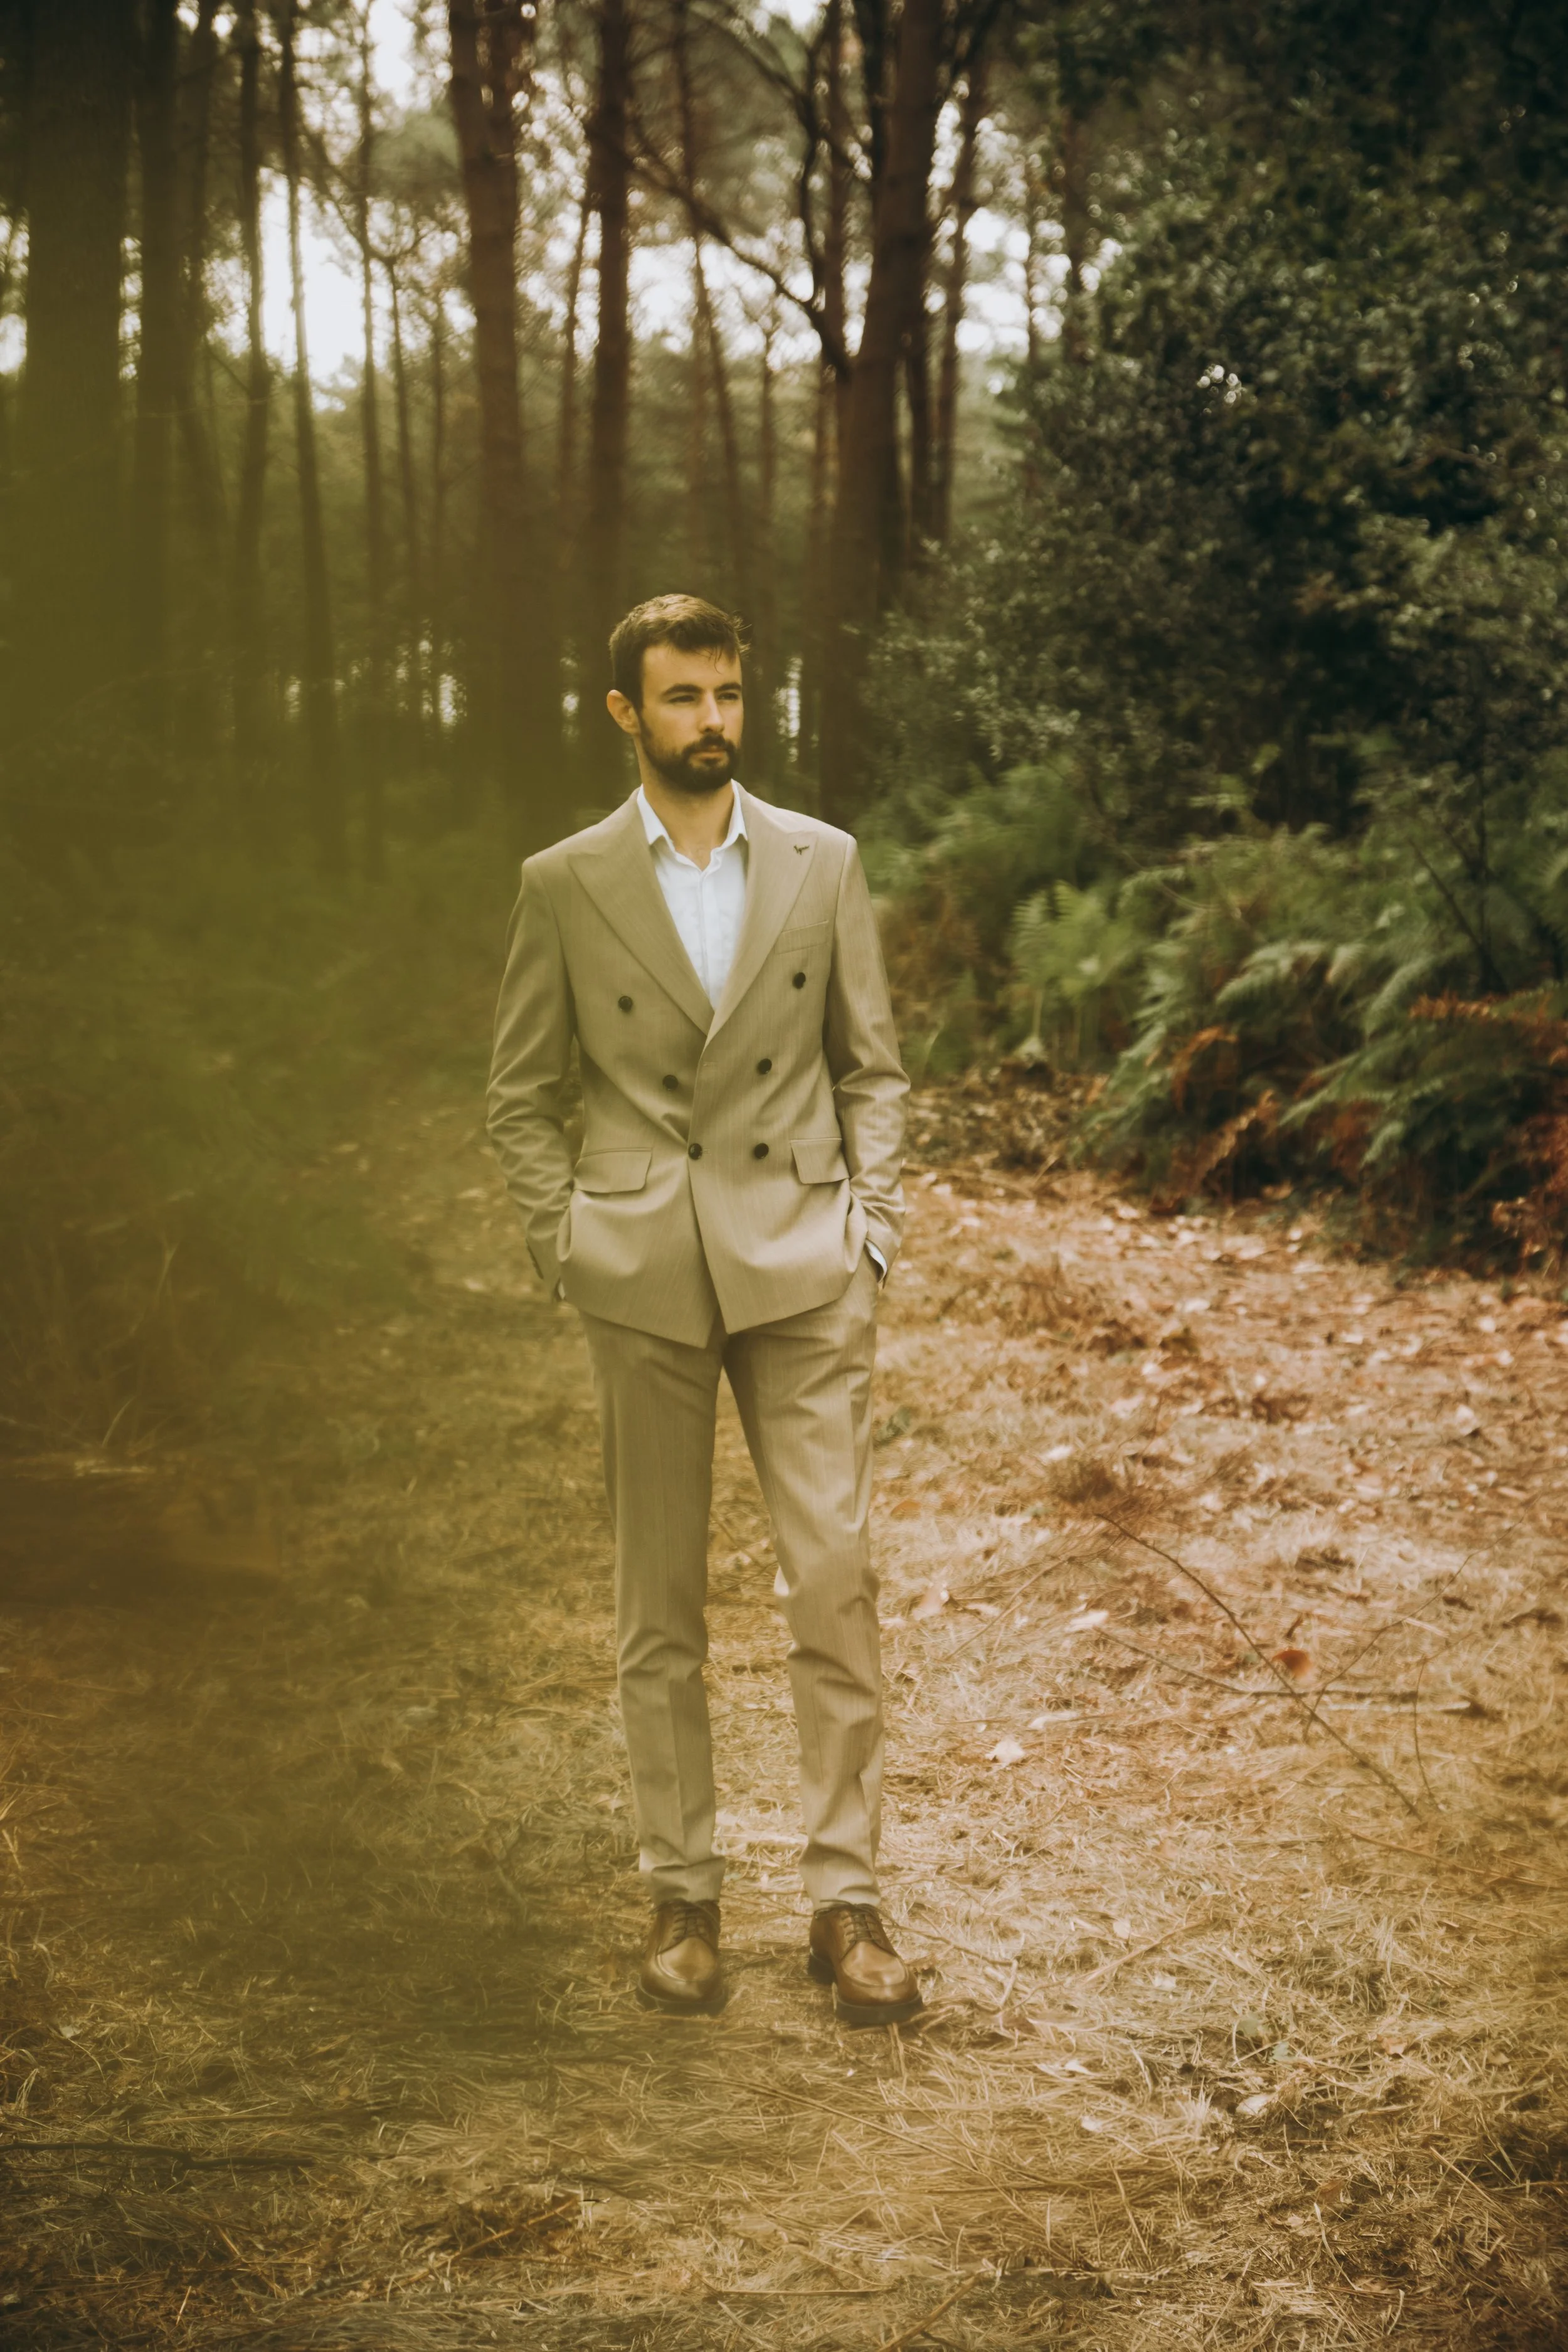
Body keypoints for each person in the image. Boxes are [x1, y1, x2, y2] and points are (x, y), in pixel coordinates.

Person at [487, 593, 919, 2026]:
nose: (711, 721)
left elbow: (873, 1067)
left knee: (832, 1577)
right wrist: (570, 1245)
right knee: (654, 1605)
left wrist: (871, 1230)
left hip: (801, 1259)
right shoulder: (563, 882)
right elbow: (522, 1093)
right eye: (681, 698)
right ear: (626, 712)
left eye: (727, 693)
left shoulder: (821, 861)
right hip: (645, 1269)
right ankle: (683, 1900)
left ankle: (843, 1904)